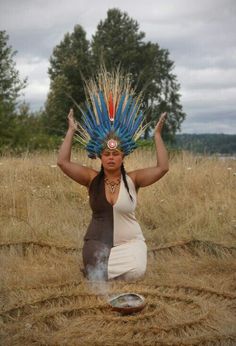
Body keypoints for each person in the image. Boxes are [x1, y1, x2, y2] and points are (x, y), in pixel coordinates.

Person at [57, 69, 169, 281]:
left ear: (122, 156)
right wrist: (71, 130)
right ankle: (99, 272)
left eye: (115, 154)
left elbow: (162, 168)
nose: (111, 157)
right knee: (95, 268)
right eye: (106, 153)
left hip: (130, 243)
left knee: (137, 271)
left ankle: (104, 273)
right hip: (98, 243)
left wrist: (157, 135)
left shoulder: (133, 180)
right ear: (99, 156)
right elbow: (62, 162)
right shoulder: (91, 179)